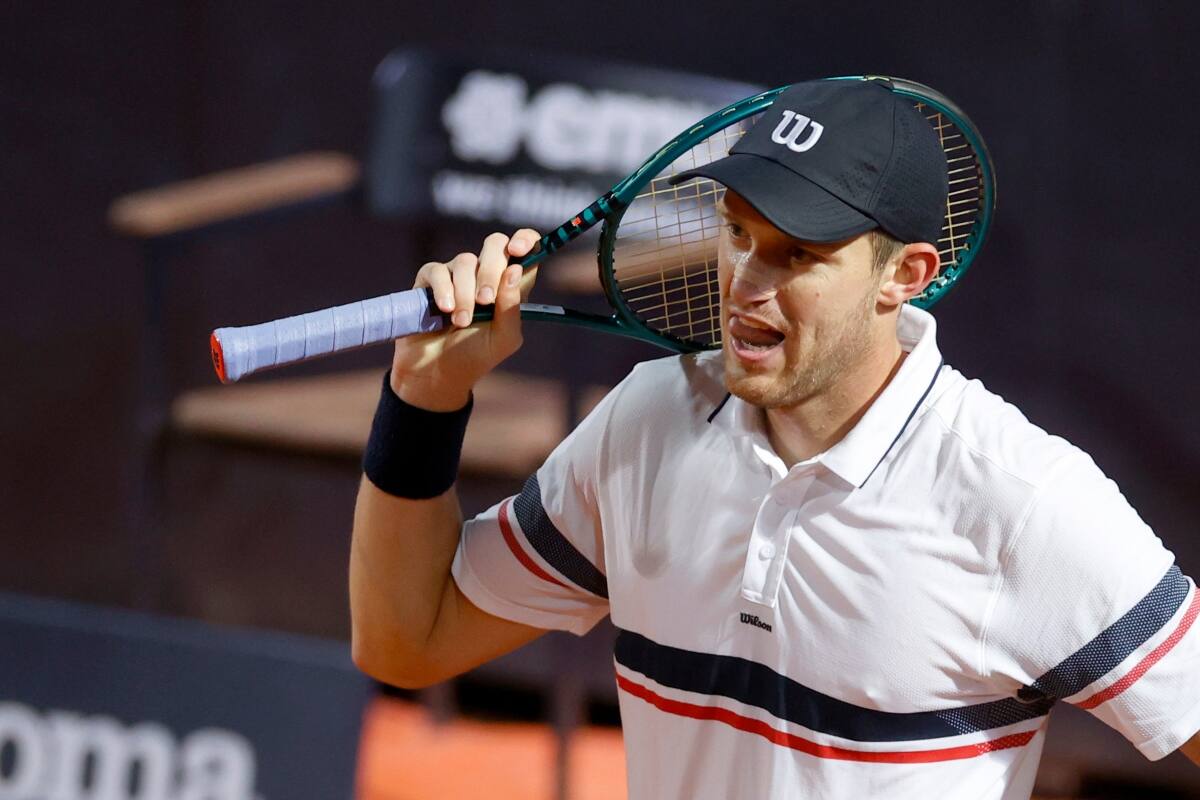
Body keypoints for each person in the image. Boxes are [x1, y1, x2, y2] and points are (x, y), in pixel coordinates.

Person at [349, 80, 1200, 799]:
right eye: (738, 232)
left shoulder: (1018, 502)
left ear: (904, 277)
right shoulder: (646, 422)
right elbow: (408, 641)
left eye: (796, 255)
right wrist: (426, 399)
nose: (746, 284)